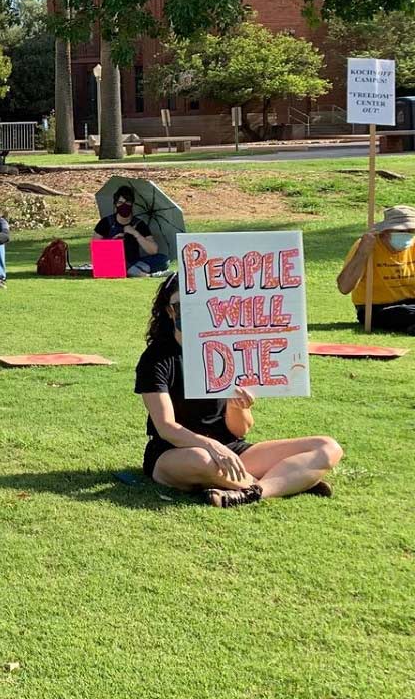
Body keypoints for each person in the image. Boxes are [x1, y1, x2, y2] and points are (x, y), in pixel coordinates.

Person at [136, 276, 341, 507]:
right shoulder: (156, 359)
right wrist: (211, 446)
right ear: (170, 312)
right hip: (175, 452)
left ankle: (256, 491)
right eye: (183, 306)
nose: (193, 313)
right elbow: (166, 428)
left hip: (231, 449)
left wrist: (237, 407)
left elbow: (240, 429)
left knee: (328, 447)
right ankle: (292, 481)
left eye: (202, 305)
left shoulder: (229, 349)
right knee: (203, 460)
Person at [336, 205, 415, 332]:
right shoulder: (366, 245)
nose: (407, 235)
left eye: (411, 231)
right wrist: (363, 252)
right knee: (408, 312)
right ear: (385, 231)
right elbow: (344, 287)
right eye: (401, 231)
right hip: (376, 309)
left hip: (411, 303)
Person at [95, 185, 167, 276]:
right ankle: (140, 273)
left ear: (132, 204)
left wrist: (136, 234)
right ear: (115, 204)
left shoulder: (139, 224)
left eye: (127, 202)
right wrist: (112, 243)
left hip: (135, 261)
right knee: (117, 264)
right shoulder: (106, 222)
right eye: (120, 202)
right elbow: (96, 251)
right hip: (113, 261)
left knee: (163, 259)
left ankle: (133, 271)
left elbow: (153, 250)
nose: (124, 205)